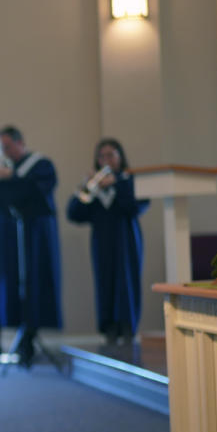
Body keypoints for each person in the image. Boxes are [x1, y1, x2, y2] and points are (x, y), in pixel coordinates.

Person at [0, 125, 62, 366]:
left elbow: (42, 191)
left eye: (7, 147)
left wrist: (13, 179)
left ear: (21, 144)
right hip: (1, 236)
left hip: (31, 235)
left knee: (30, 284)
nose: (3, 153)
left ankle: (27, 342)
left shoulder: (40, 165)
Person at [67, 138, 149, 345]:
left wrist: (117, 185)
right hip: (102, 243)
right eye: (102, 156)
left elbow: (138, 206)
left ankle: (128, 329)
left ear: (120, 157)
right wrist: (88, 187)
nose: (106, 160)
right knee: (105, 283)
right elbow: (74, 214)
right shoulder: (93, 185)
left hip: (126, 240)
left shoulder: (129, 181)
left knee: (127, 283)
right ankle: (109, 330)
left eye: (111, 155)